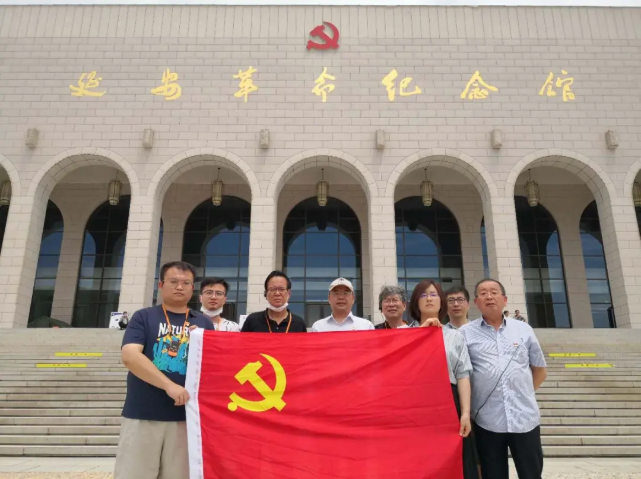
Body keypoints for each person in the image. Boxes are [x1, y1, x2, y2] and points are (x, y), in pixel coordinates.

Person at [115, 261, 214, 479]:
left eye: (186, 283)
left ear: (192, 288)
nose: (180, 287)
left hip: (186, 418)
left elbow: (214, 366)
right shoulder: (144, 317)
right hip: (143, 415)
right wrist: (169, 385)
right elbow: (130, 356)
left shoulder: (204, 323)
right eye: (174, 281)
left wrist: (201, 341)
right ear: (160, 284)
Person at [461, 278, 548, 479]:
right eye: (483, 293)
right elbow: (463, 374)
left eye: (494, 292)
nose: (489, 297)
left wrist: (522, 392)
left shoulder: (523, 329)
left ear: (505, 299)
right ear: (476, 302)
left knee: (531, 474)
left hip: (524, 417)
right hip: (486, 420)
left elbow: (540, 370)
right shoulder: (465, 333)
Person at [409, 280, 479, 479]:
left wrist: (465, 413)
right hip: (414, 405)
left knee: (454, 460)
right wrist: (421, 333)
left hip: (448, 402)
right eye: (423, 295)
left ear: (441, 302)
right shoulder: (404, 335)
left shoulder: (455, 337)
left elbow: (463, 375)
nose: (429, 298)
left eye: (434, 294)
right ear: (416, 302)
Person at [241, 271, 307, 333]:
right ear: (266, 293)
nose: (277, 293)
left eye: (281, 289)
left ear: (289, 293)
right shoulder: (252, 320)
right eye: (272, 289)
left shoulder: (299, 323)